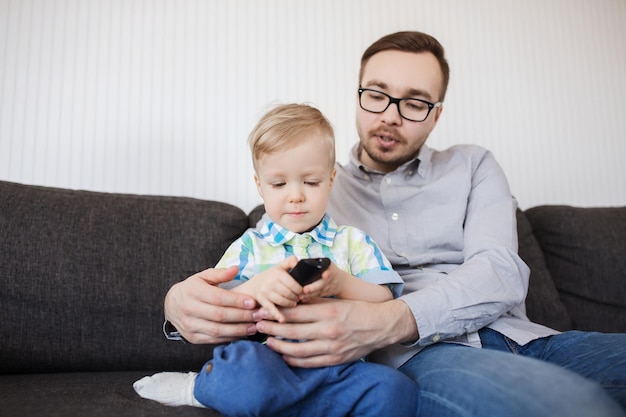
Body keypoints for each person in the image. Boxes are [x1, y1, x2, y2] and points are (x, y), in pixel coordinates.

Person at [162, 32, 626, 417]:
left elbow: (501, 272)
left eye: (415, 103)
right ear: (359, 94)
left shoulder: (473, 165)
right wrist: (176, 306)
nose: (390, 114)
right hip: (428, 357)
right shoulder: (311, 193)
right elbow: (254, 283)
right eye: (377, 94)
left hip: (532, 339)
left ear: (437, 114)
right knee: (570, 407)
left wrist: (391, 318)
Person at [134, 103, 419, 417]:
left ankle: (291, 406)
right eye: (279, 184)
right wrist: (256, 289)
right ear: (259, 185)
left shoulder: (352, 241)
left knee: (398, 390)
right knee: (247, 376)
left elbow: (384, 297)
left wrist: (341, 282)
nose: (295, 195)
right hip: (267, 362)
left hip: (340, 366)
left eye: (310, 182)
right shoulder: (251, 246)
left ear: (331, 179)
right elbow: (219, 307)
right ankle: (201, 387)